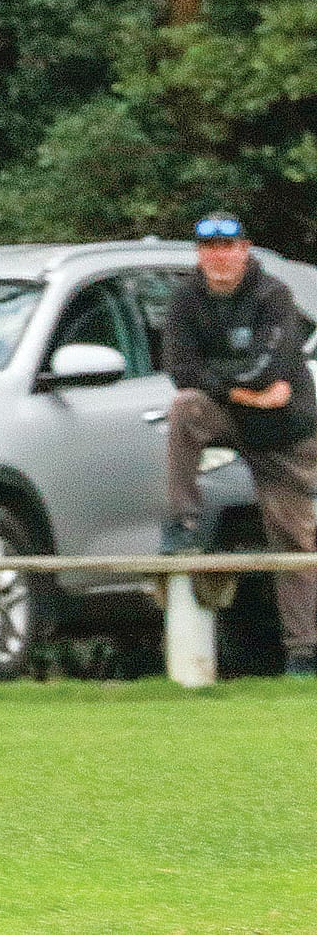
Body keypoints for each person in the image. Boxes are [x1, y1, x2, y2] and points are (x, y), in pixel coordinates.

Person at [161, 212, 317, 677]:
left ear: (244, 249)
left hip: (285, 432)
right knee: (186, 408)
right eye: (210, 249)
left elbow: (273, 363)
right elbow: (179, 369)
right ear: (200, 254)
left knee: (292, 538)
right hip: (237, 411)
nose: (219, 258)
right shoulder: (186, 301)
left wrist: (242, 382)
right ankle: (182, 525)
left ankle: (304, 650)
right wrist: (239, 392)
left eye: (228, 248)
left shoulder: (273, 296)